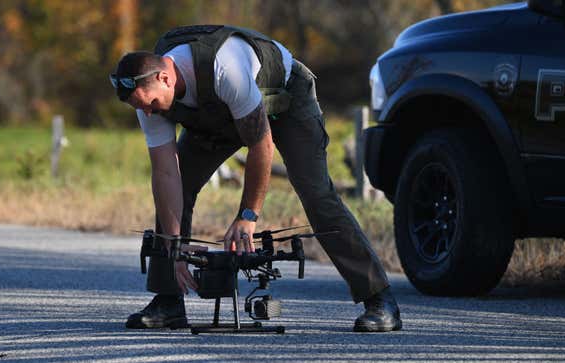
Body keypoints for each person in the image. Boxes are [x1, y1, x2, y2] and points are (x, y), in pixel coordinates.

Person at [110, 25, 402, 332]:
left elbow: (261, 144)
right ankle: (169, 301)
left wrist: (248, 215)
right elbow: (166, 172)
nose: (149, 113)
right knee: (179, 186)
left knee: (315, 193)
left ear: (164, 78)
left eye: (152, 104)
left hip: (285, 101)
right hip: (218, 116)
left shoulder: (225, 67)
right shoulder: (146, 97)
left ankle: (379, 299)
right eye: (142, 108)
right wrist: (175, 246)